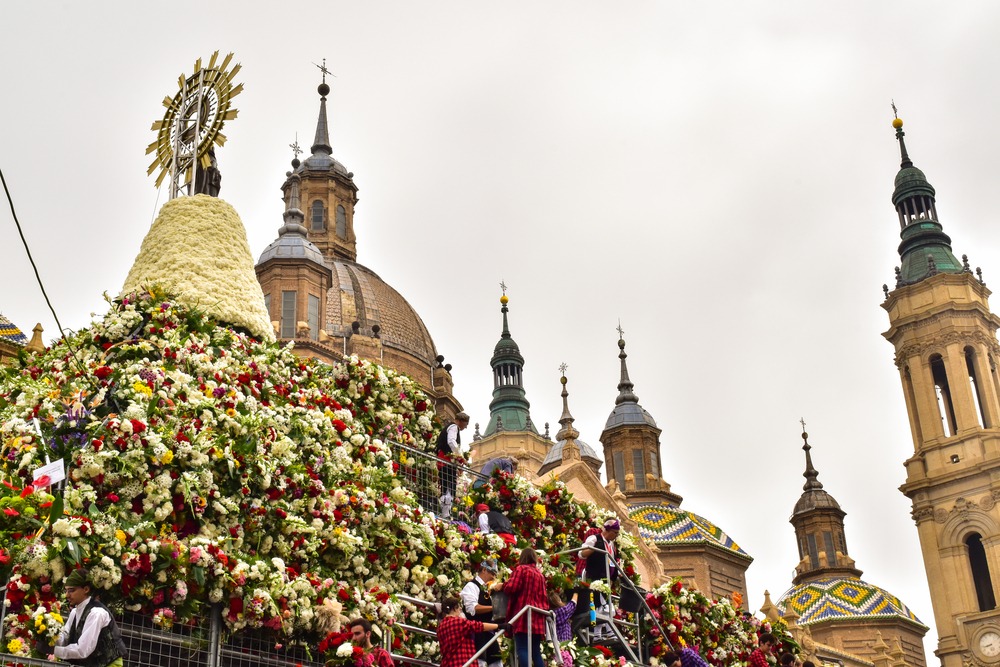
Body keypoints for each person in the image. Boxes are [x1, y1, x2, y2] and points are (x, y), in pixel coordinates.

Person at [53, 568, 128, 667]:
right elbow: (65, 638)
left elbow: (83, 650)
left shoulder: (96, 613)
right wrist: (49, 637)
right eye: (66, 590)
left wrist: (53, 650)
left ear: (86, 589)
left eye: (71, 590)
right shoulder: (74, 612)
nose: (67, 595)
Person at [503, 548, 549, 667]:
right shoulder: (540, 575)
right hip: (537, 616)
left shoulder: (521, 569)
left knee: (522, 647)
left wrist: (502, 585)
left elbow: (511, 588)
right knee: (535, 652)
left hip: (523, 614)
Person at [579, 518, 621, 640]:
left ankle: (597, 635)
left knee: (600, 608)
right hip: (595, 577)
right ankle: (610, 632)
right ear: (608, 530)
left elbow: (612, 561)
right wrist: (593, 549)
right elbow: (581, 554)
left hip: (606, 579)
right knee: (605, 606)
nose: (616, 536)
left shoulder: (612, 545)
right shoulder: (594, 539)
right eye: (615, 533)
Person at [460, 560, 503, 667]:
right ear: (484, 570)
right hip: (476, 632)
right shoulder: (471, 586)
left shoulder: (488, 588)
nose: (494, 577)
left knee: (497, 662)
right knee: (480, 662)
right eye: (492, 573)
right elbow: (472, 609)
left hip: (489, 631)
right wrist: (494, 608)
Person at [437, 596, 502, 667]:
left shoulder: (440, 627)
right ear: (455, 608)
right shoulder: (458, 622)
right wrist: (498, 626)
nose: (460, 609)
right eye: (459, 607)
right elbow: (478, 626)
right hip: (462, 662)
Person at [435, 412, 470, 515]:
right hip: (446, 460)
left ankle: (446, 512)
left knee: (447, 487)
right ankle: (445, 513)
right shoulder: (454, 427)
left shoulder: (451, 427)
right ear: (460, 421)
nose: (466, 427)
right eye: (465, 424)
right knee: (448, 486)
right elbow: (451, 442)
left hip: (446, 460)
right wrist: (460, 456)